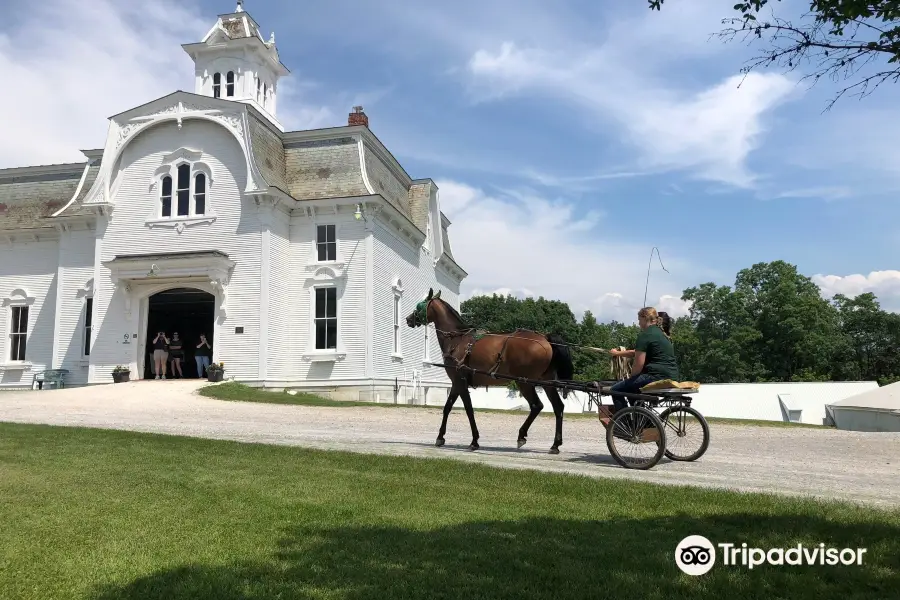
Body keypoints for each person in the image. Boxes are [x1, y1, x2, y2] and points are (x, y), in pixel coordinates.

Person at [607, 307, 679, 413]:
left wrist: (630, 380)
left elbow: (638, 363)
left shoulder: (645, 335)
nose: (638, 323)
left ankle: (624, 424)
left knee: (616, 390)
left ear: (645, 318)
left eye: (639, 320)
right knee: (632, 390)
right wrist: (618, 354)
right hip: (672, 376)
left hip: (655, 376)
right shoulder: (663, 334)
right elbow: (637, 353)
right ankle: (642, 421)